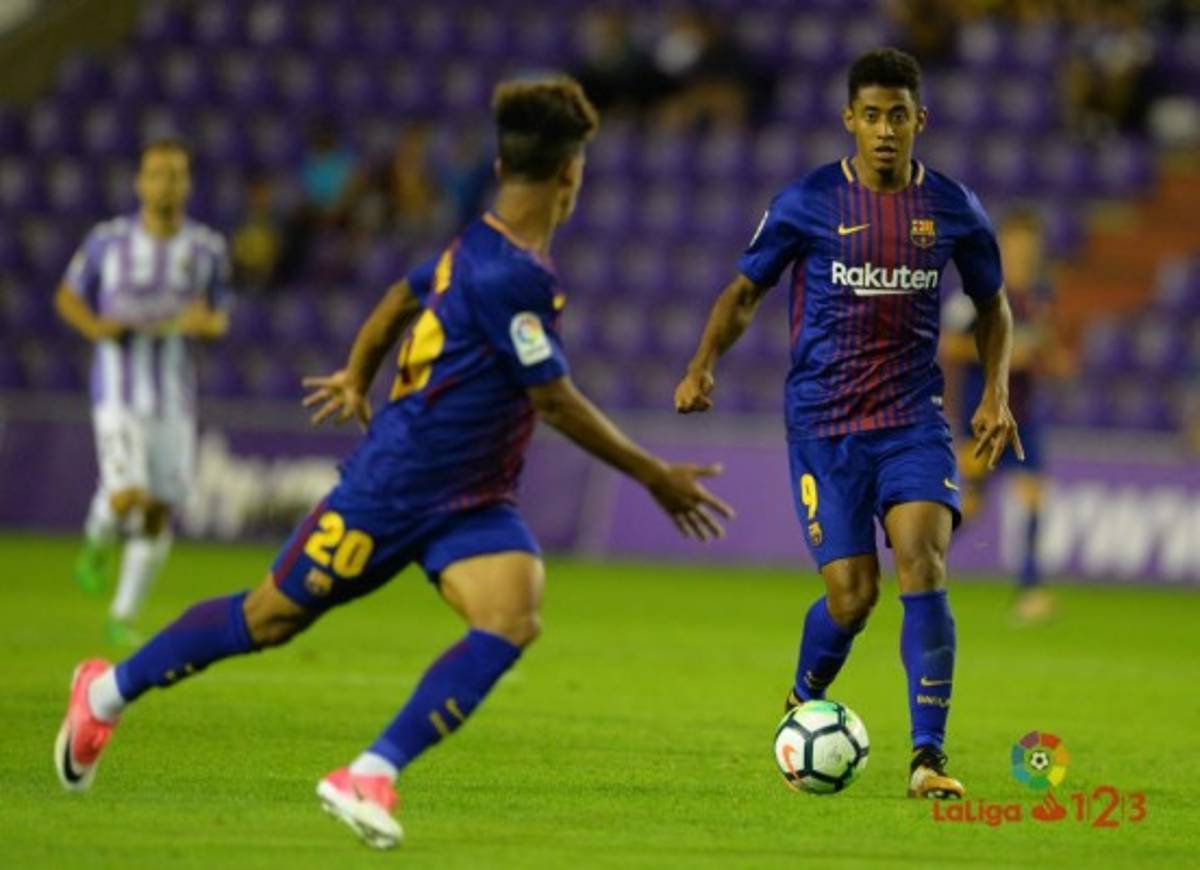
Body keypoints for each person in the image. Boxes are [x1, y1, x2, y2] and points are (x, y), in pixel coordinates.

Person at [54, 78, 732, 850]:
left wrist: (356, 370)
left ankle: (371, 772)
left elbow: (400, 295)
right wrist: (654, 475)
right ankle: (104, 692)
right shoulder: (516, 277)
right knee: (267, 618)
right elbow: (554, 400)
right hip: (393, 487)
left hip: (472, 498)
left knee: (512, 614)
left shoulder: (473, 243)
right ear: (570, 176)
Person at [674, 48, 1021, 800]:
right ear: (850, 121)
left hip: (911, 420)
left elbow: (993, 305)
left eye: (900, 115)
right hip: (824, 425)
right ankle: (802, 701)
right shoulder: (808, 201)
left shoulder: (953, 208)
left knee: (923, 563)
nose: (886, 129)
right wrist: (704, 363)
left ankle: (927, 757)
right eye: (872, 115)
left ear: (920, 119)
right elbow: (742, 293)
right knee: (852, 596)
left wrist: (995, 390)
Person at [55, 139, 231, 646]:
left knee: (158, 508)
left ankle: (123, 614)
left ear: (188, 184)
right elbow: (67, 296)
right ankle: (96, 538)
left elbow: (219, 315)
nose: (166, 184)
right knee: (126, 492)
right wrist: (95, 328)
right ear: (140, 182)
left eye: (176, 175)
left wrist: (206, 323)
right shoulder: (107, 242)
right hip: (117, 390)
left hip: (173, 397)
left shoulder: (206, 250)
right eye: (157, 174)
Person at [942, 207, 1055, 624]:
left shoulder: (1040, 295)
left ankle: (1029, 589)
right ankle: (922, 567)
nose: (1024, 254)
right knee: (968, 503)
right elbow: (950, 347)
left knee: (1032, 496)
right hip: (982, 416)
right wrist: (1004, 356)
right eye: (1017, 245)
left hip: (1023, 418)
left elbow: (1044, 349)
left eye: (1031, 247)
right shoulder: (976, 291)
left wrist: (1049, 359)